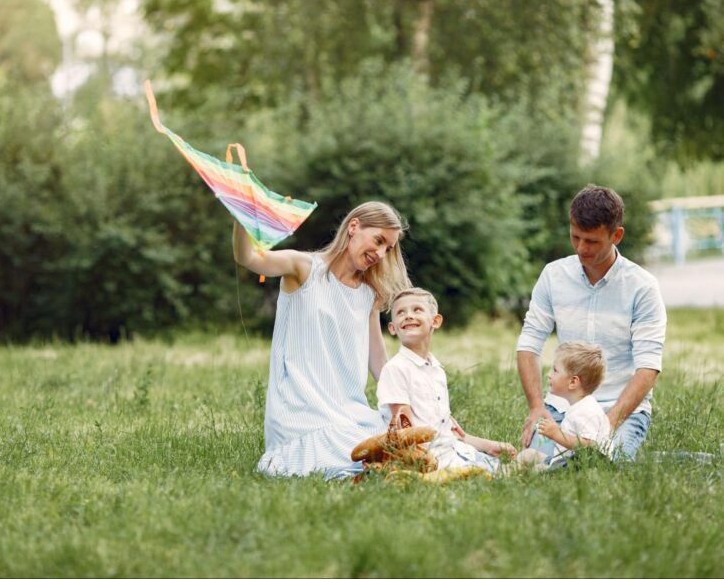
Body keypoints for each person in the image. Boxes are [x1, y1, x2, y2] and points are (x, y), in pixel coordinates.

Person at [233, 201, 411, 479]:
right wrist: (241, 213)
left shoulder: (368, 292)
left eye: (387, 248)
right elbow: (250, 258)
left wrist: (402, 403)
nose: (380, 253)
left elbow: (378, 362)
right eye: (378, 241)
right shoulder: (302, 268)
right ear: (354, 227)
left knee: (405, 436)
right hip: (302, 412)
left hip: (350, 411)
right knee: (351, 450)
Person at [516, 185, 667, 461]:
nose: (581, 248)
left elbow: (648, 367)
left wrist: (606, 424)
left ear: (616, 235)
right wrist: (537, 407)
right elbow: (528, 345)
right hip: (562, 406)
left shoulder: (642, 287)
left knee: (604, 463)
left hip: (618, 409)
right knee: (538, 464)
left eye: (592, 241)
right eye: (576, 237)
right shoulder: (553, 276)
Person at [377, 288, 517, 476]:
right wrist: (424, 466)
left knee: (530, 461)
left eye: (417, 310)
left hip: (455, 451)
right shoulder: (396, 369)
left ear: (436, 321)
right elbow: (405, 431)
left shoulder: (436, 371)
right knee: (518, 468)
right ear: (392, 328)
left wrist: (489, 445)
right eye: (400, 312)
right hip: (430, 460)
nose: (408, 316)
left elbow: (452, 433)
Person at [517, 341, 613, 468]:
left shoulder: (587, 412)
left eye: (555, 371)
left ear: (573, 382)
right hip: (562, 461)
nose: (549, 375)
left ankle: (506, 472)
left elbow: (589, 446)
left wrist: (557, 434)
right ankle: (513, 467)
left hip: (573, 467)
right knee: (528, 455)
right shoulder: (578, 407)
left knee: (536, 469)